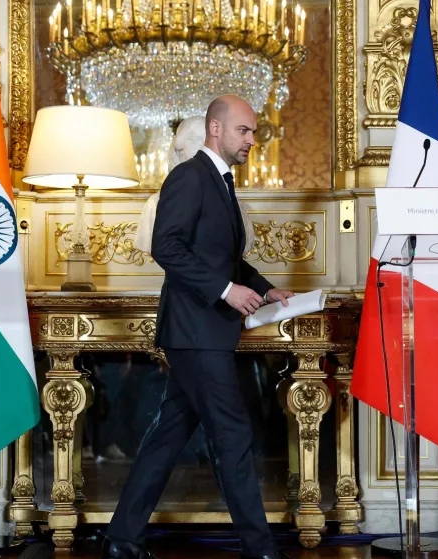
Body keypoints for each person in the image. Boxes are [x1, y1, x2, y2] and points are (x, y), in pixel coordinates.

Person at [102, 95, 294, 559]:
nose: (252, 140)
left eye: (253, 132)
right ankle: (260, 548)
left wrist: (265, 289)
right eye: (243, 131)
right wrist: (227, 291)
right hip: (196, 332)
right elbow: (166, 247)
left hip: (201, 331)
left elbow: (223, 258)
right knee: (233, 435)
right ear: (215, 129)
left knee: (166, 437)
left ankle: (121, 539)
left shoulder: (221, 182)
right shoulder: (189, 176)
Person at [135, 115, 255, 256]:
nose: (201, 148)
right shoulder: (155, 205)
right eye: (193, 140)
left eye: (206, 142)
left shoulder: (234, 204)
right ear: (179, 149)